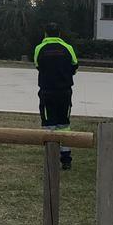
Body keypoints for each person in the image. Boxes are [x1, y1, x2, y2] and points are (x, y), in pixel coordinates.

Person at [33, 23, 78, 170]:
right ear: (59, 34)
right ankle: (66, 159)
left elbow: (37, 65)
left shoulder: (39, 48)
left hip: (47, 91)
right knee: (64, 124)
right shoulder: (68, 48)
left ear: (45, 34)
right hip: (64, 91)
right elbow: (75, 65)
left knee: (48, 124)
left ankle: (50, 157)